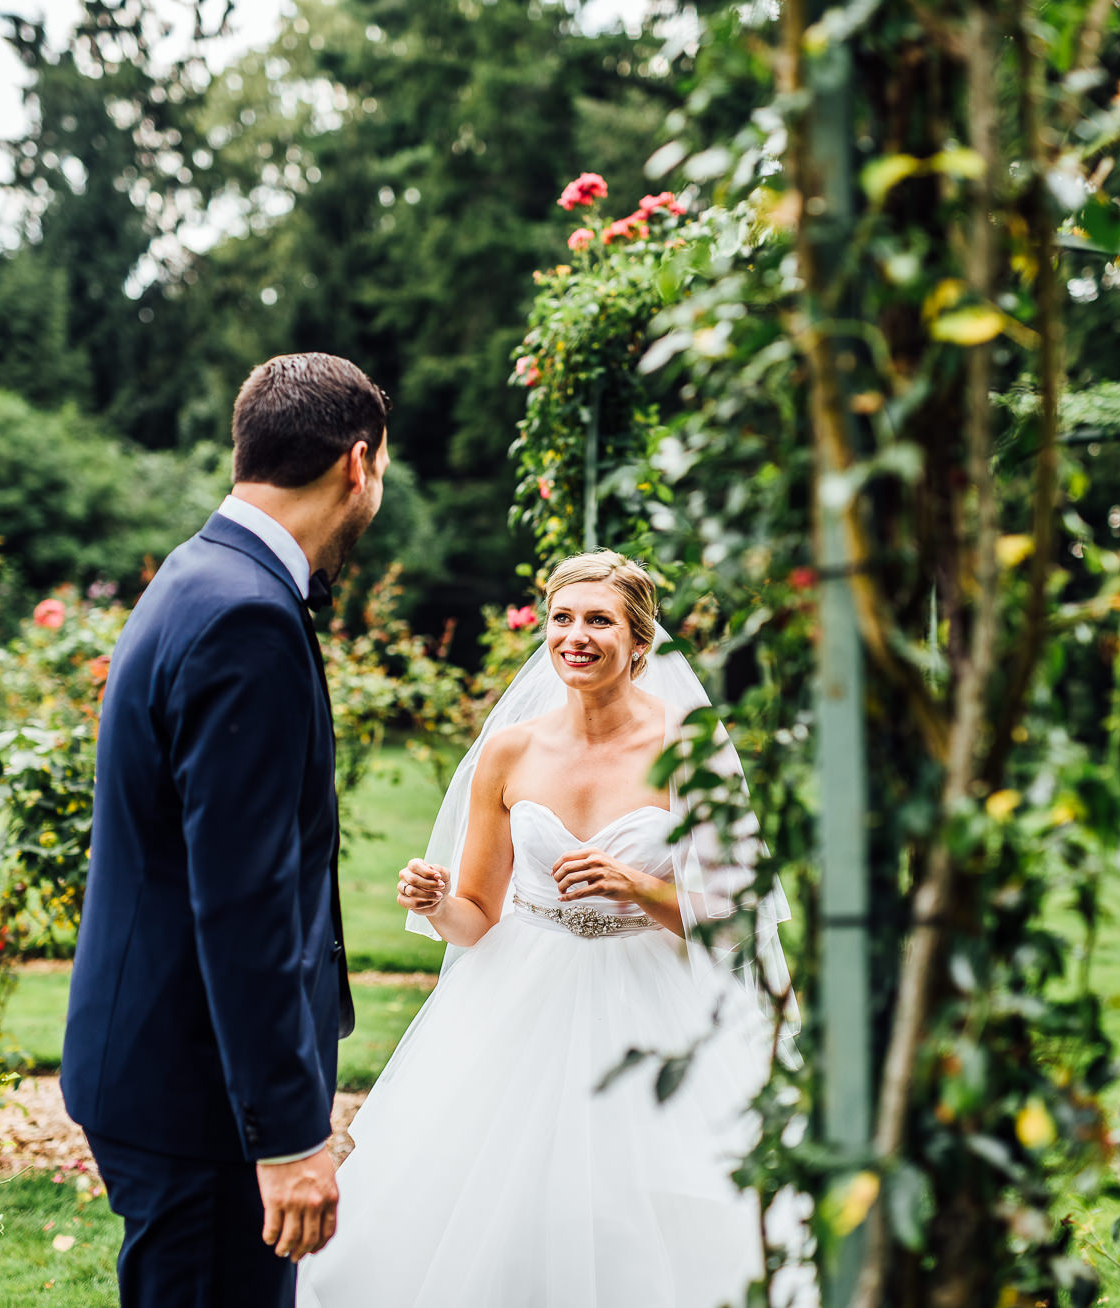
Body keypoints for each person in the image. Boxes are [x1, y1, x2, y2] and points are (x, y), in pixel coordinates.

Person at [296, 550, 797, 1308]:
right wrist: (435, 902)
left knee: (647, 1199)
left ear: (639, 640)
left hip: (655, 1002)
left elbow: (734, 919)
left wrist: (635, 884)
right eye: (563, 619)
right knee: (496, 1191)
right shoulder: (510, 751)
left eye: (600, 620)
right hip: (520, 996)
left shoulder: (691, 752)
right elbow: (475, 919)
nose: (576, 636)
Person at [63, 352, 390, 1307]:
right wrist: (287, 1137)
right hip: (199, 1097)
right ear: (356, 466)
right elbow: (241, 900)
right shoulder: (247, 616)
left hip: (162, 1063)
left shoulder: (198, 575)